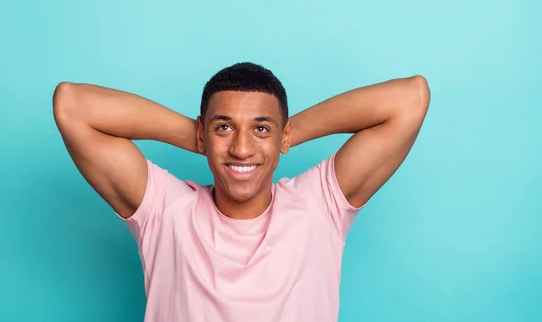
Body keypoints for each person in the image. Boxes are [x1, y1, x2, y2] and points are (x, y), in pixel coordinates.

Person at [52, 62, 430, 322]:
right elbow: (72, 104)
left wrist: (286, 132)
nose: (242, 148)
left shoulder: (319, 205)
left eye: (261, 130)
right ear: (203, 134)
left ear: (282, 135)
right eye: (224, 129)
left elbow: (410, 98)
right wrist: (201, 136)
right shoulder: (165, 210)